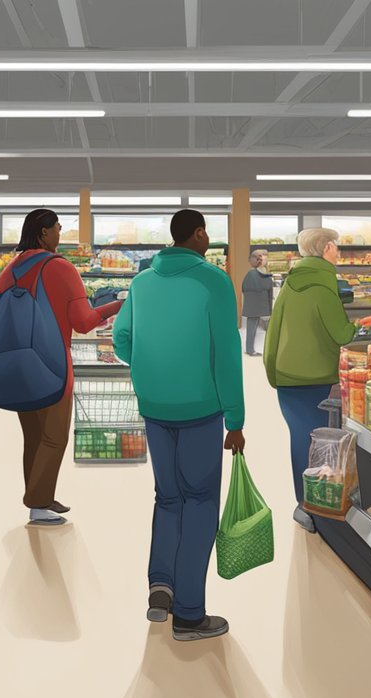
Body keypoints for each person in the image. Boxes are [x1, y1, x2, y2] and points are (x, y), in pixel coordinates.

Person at [114, 209, 245, 641]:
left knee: (167, 497)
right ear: (199, 234)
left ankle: (160, 587)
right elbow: (226, 353)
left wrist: (149, 371)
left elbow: (122, 339)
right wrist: (236, 419)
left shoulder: (142, 281)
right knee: (201, 503)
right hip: (200, 410)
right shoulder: (212, 281)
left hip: (154, 406)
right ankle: (189, 613)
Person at [0, 209, 122, 526]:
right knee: (54, 437)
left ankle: (36, 499)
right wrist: (119, 304)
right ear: (43, 232)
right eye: (57, 229)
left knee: (34, 438)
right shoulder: (60, 268)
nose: (59, 234)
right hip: (51, 363)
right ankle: (39, 503)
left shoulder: (10, 269)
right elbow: (82, 322)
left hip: (16, 363)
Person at [264, 228, 356, 534]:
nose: (338, 252)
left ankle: (303, 504)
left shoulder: (290, 283)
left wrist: (272, 371)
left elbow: (274, 330)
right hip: (318, 377)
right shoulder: (324, 284)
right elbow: (341, 333)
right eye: (336, 247)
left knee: (300, 439)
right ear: (328, 248)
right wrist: (364, 329)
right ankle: (322, 503)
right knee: (324, 444)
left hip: (287, 378)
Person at [241, 250, 275, 356]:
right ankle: (250, 349)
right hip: (255, 305)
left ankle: (263, 349)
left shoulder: (263, 273)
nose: (265, 260)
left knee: (266, 328)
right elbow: (252, 287)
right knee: (252, 328)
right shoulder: (252, 274)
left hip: (263, 305)